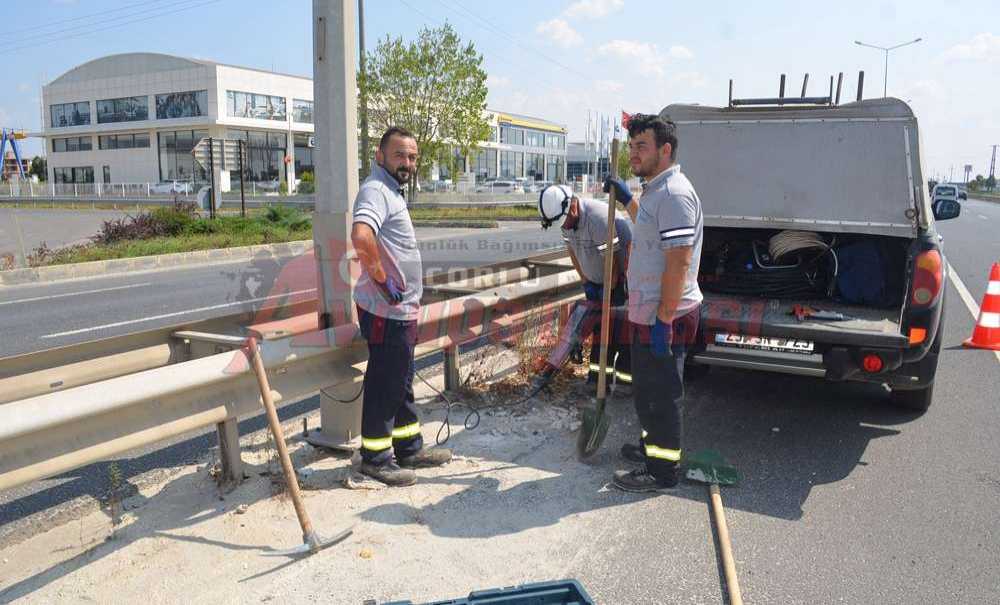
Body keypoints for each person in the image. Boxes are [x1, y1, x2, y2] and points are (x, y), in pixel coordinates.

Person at [604, 114, 703, 492]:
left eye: (641, 146)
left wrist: (663, 320)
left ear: (665, 150)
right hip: (649, 310)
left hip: (665, 314)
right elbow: (648, 228)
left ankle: (662, 472)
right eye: (631, 146)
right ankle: (652, 450)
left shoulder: (674, 194)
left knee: (661, 396)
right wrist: (627, 199)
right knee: (647, 392)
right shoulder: (656, 190)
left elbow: (678, 262)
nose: (633, 153)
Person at [350, 127, 452, 487]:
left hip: (401, 310)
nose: (407, 162)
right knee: (385, 382)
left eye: (411, 156)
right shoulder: (376, 191)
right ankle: (375, 459)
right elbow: (361, 235)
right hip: (385, 311)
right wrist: (382, 280)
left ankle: (408, 447)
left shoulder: (391, 190)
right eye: (399, 155)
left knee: (402, 379)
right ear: (380, 156)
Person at [536, 184, 633, 388]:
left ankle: (625, 384)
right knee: (599, 330)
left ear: (572, 206)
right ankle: (597, 381)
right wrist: (586, 281)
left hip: (621, 280)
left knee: (618, 331)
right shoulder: (565, 221)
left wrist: (608, 289)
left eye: (565, 222)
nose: (565, 226)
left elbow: (613, 263)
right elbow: (573, 251)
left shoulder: (598, 220)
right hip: (597, 281)